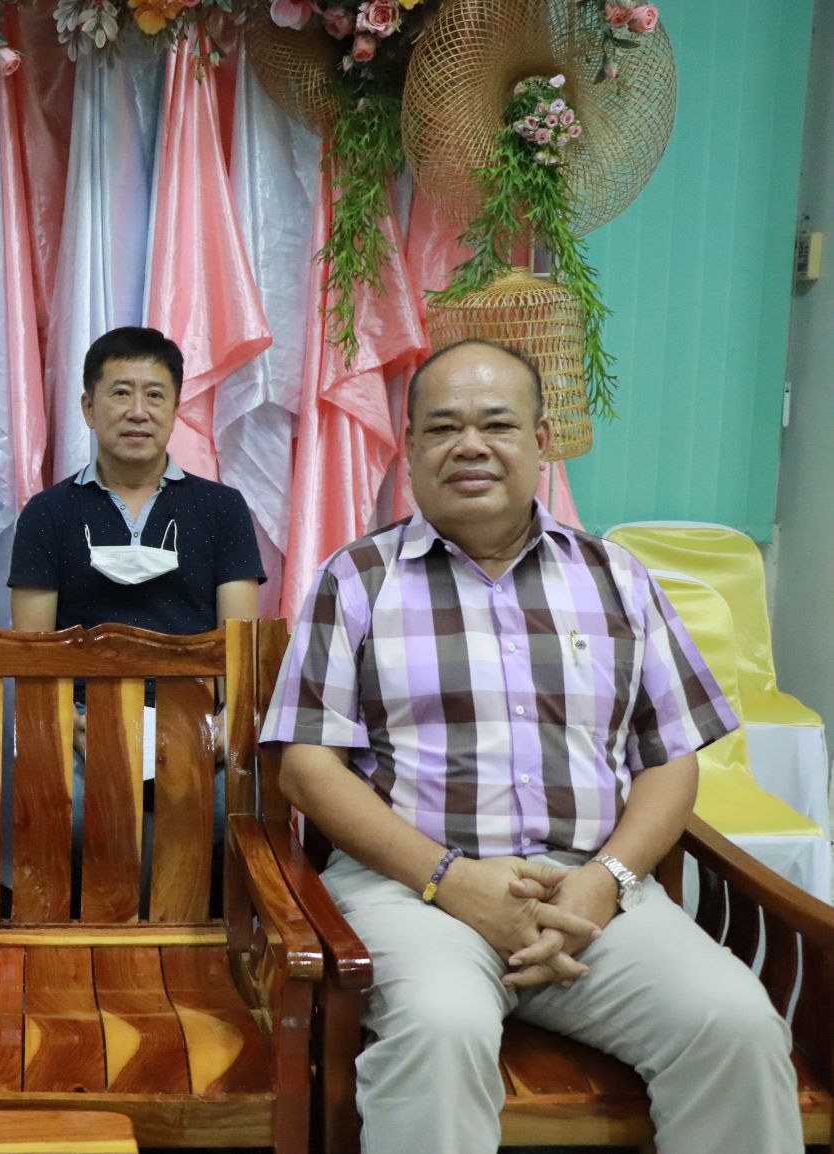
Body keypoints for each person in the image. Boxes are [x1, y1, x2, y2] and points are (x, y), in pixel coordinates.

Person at [261, 339, 800, 1153]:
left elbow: (669, 758)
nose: (470, 445)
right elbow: (306, 766)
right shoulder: (358, 579)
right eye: (443, 427)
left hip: (593, 896)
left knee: (736, 1025)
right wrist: (450, 879)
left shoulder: (618, 578)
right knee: (440, 1028)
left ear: (543, 441)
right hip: (412, 894)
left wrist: (606, 882)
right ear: (410, 447)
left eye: (497, 424)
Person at [7, 326, 264, 875]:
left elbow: (240, 645)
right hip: (85, 721)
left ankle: (204, 928)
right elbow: (32, 652)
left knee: (233, 814)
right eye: (120, 393)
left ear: (175, 409)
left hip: (195, 721)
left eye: (155, 395)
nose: (138, 411)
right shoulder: (48, 513)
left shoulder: (222, 508)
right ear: (89, 407)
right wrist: (67, 721)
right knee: (66, 812)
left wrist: (225, 724)